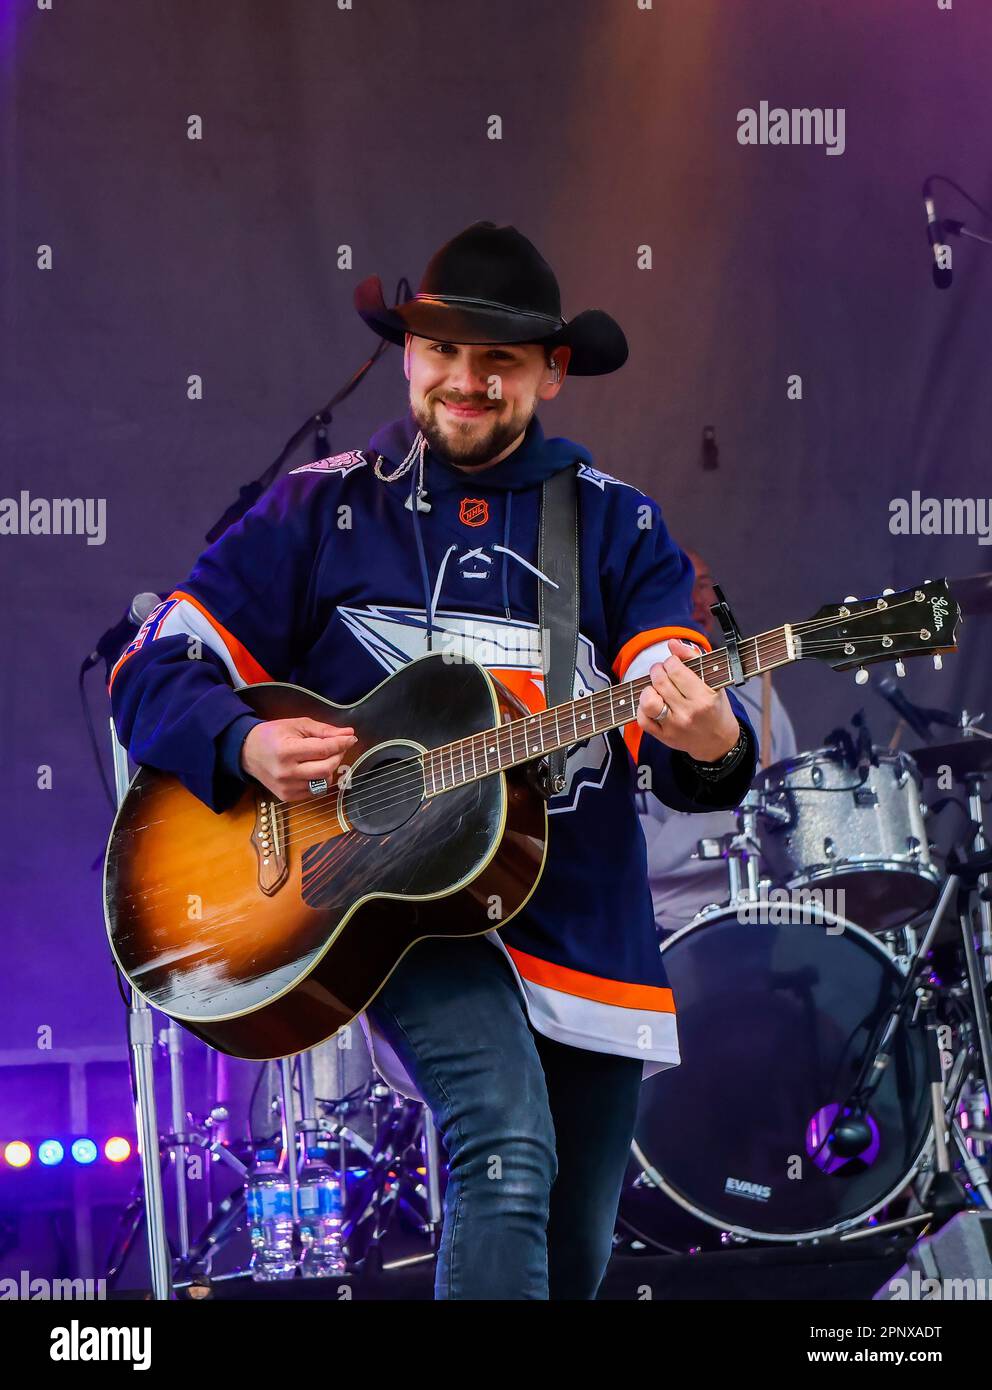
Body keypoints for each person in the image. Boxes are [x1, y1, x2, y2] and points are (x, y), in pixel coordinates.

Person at [109, 221, 759, 1300]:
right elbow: (151, 666)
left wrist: (711, 736)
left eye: (495, 360)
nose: (461, 382)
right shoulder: (319, 505)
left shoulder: (616, 527)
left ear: (551, 371)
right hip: (387, 902)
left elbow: (675, 681)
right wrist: (243, 739)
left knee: (566, 1249)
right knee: (503, 1149)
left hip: (579, 921)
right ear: (406, 352)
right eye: (437, 352)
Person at [638, 548, 798, 936]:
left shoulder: (760, 694)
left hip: (756, 915)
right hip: (656, 924)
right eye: (683, 586)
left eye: (705, 586)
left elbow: (791, 797)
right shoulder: (630, 698)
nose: (698, 600)